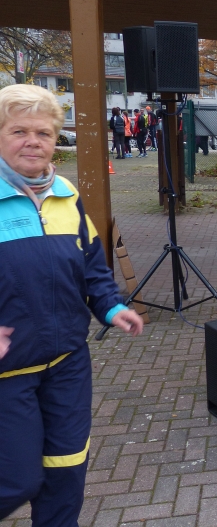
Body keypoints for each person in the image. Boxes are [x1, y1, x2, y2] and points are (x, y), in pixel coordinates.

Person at [0, 84, 144, 526]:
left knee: (66, 471)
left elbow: (92, 267)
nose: (33, 142)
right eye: (19, 131)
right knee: (17, 480)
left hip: (67, 364)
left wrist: (111, 307)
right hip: (8, 374)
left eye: (43, 133)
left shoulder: (66, 194)